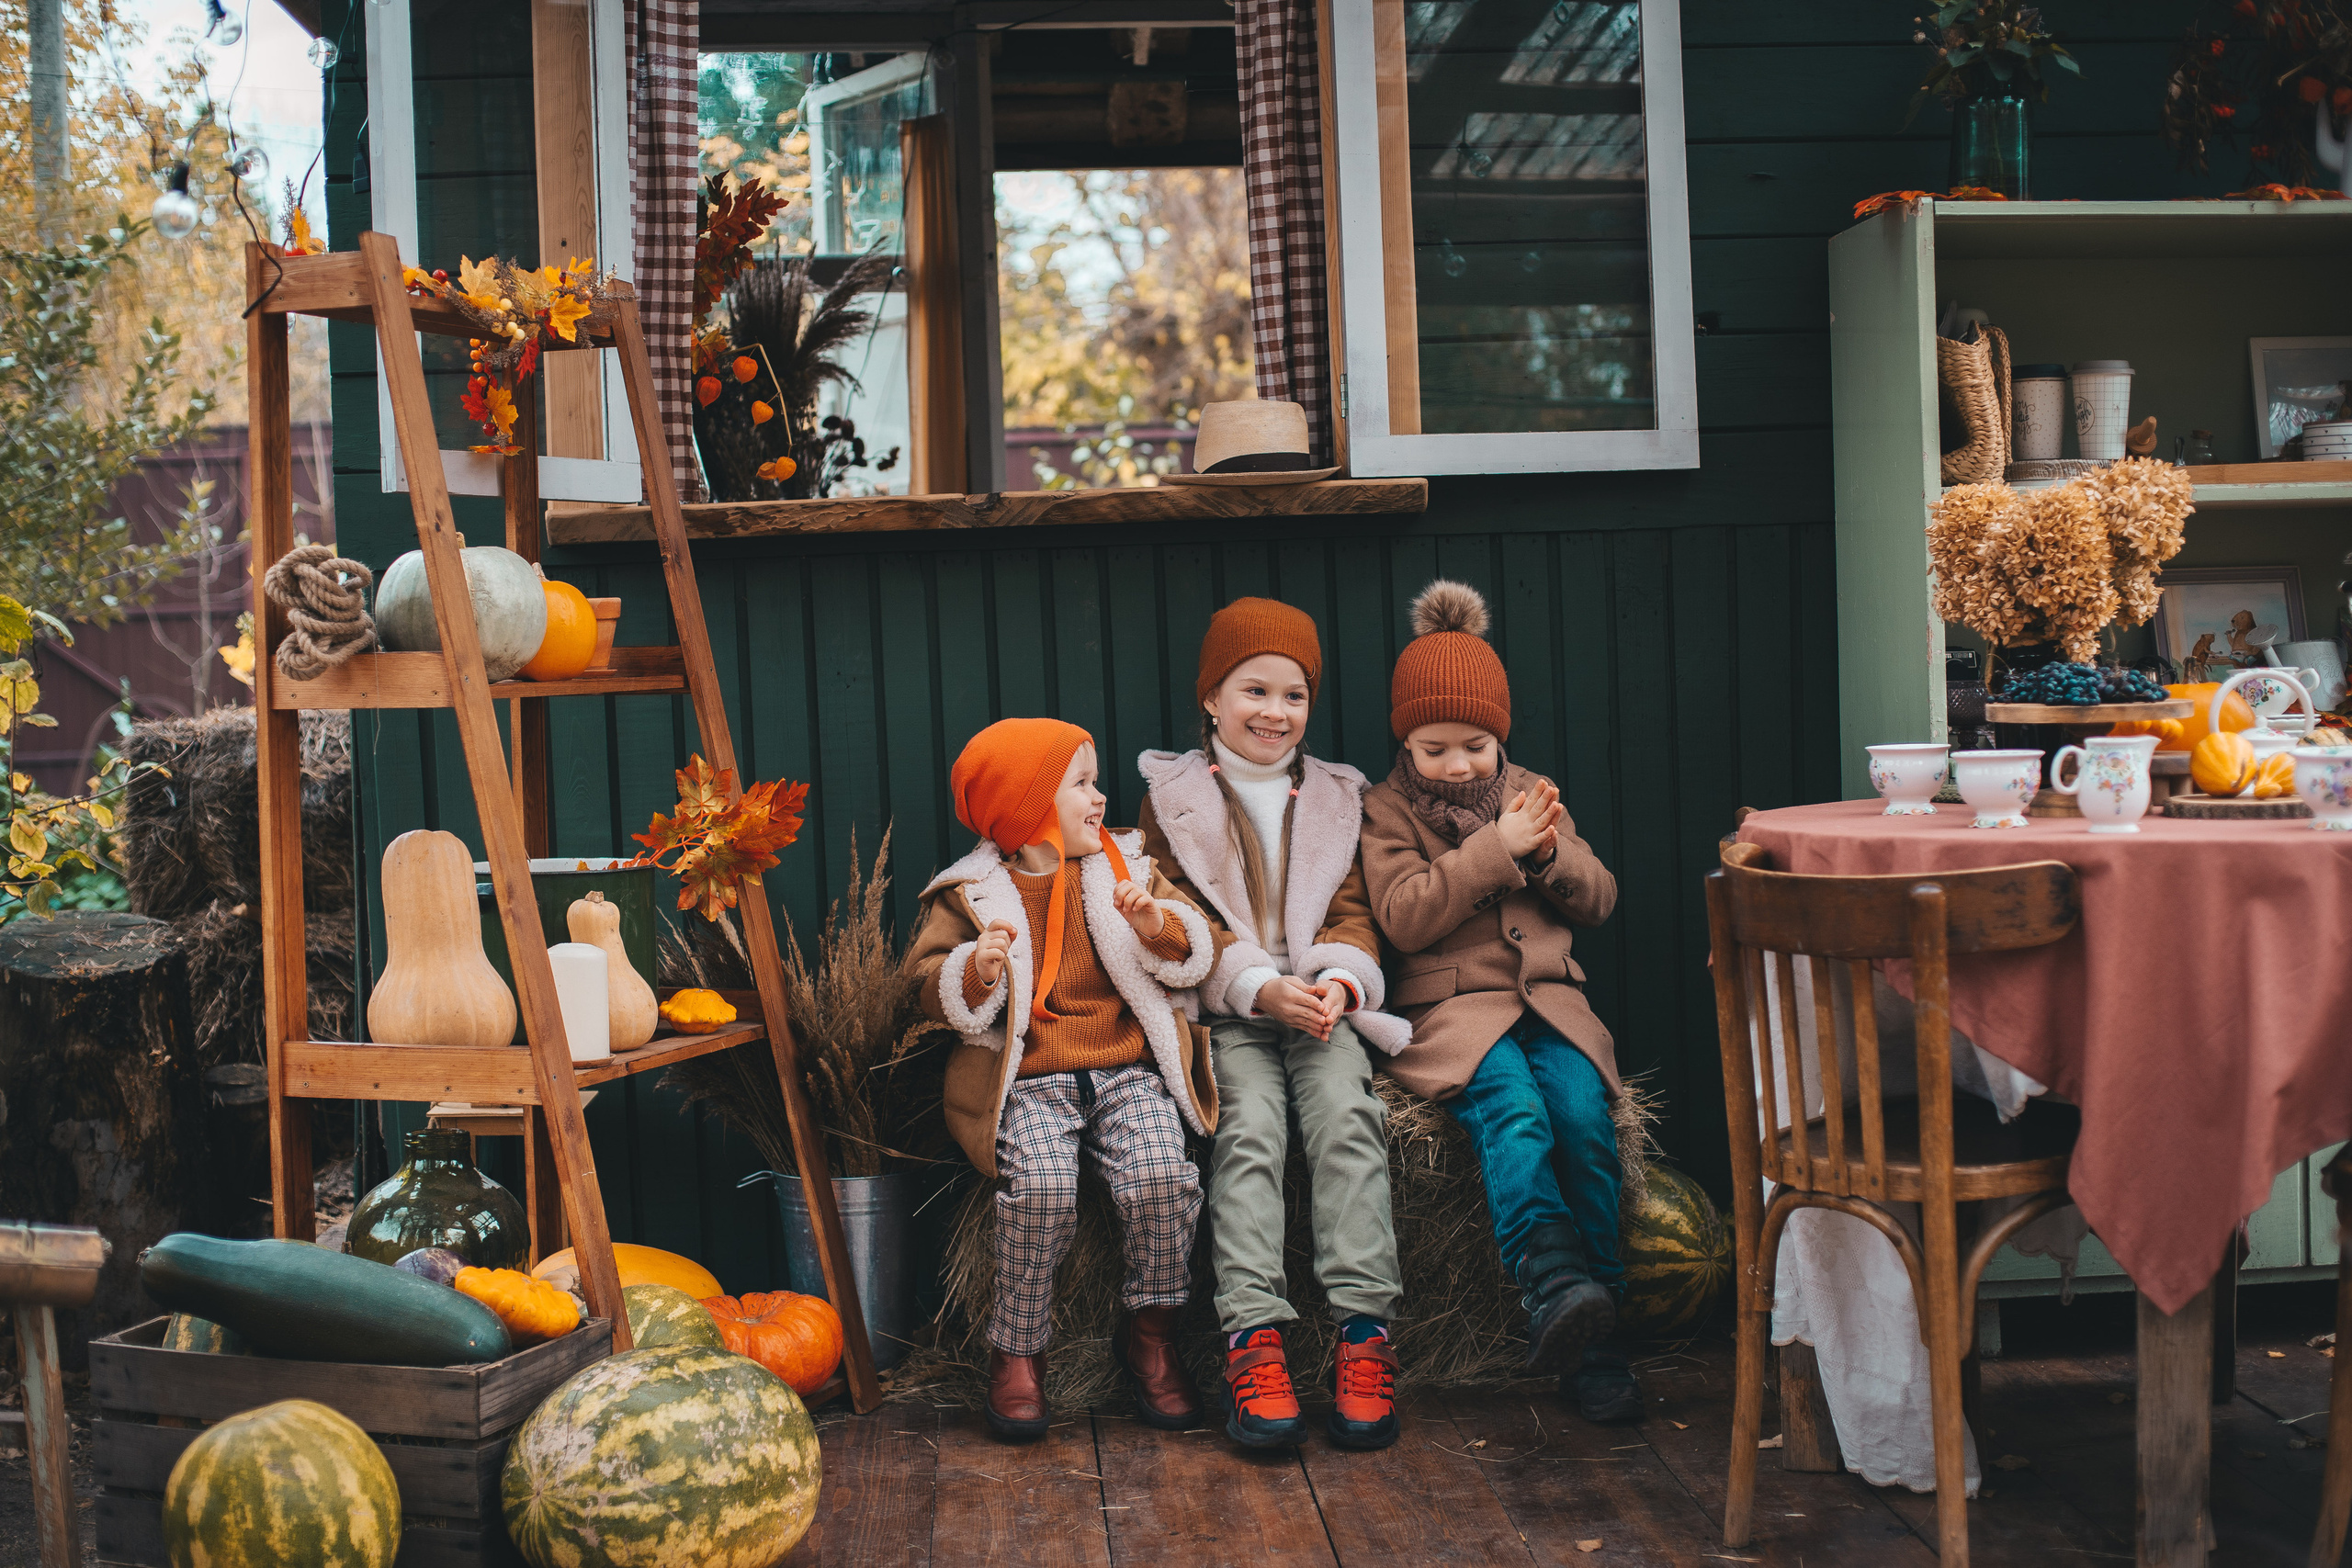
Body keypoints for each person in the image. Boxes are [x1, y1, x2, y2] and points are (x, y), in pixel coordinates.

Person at [1136, 597, 1415, 1451]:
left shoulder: (1339, 795)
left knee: (1349, 1122)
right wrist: (1256, 986)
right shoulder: (1171, 797)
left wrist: (1336, 977)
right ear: (1211, 699)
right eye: (1253, 690)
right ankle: (1252, 1338)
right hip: (1235, 1014)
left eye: (1294, 695)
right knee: (1248, 1129)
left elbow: (1353, 907)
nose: (1274, 712)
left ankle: (1364, 1333)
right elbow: (1176, 917)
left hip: (1322, 1011)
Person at [1358, 580, 1639, 1424]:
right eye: (1434, 747)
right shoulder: (1386, 811)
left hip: (1549, 1003)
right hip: (1454, 1014)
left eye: (1474, 745)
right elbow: (1404, 916)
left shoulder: (1533, 791)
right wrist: (1494, 849)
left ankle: (1598, 1329)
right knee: (1514, 1112)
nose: (1457, 764)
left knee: (1585, 1118)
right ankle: (1550, 1276)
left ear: (1499, 736)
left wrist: (1549, 855)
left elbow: (1600, 900)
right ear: (1406, 740)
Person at [904, 717, 1219, 1441]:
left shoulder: (1128, 869)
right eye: (1081, 783)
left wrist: (1154, 924)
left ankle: (1152, 1332)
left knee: (1162, 1178)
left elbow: (1194, 948)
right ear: (1025, 806)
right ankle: (1018, 1348)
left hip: (1126, 1068)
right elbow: (924, 981)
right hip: (1030, 1080)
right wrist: (973, 970)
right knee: (1040, 1188)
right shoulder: (971, 893)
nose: (1101, 797)